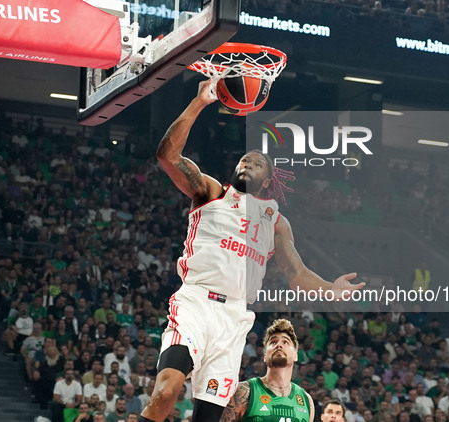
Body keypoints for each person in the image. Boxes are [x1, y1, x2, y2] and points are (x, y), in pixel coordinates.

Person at [138, 81, 364, 422]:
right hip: (196, 303)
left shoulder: (275, 220)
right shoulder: (211, 191)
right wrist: (200, 102)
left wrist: (331, 289)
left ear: (268, 177)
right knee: (166, 392)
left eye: (256, 163)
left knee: (208, 418)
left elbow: (297, 274)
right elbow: (167, 156)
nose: (247, 163)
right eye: (244, 160)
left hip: (233, 317)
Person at [219, 319, 313, 422]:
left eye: (285, 342)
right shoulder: (244, 391)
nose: (279, 345)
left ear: (295, 355)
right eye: (273, 342)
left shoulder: (306, 400)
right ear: (265, 356)